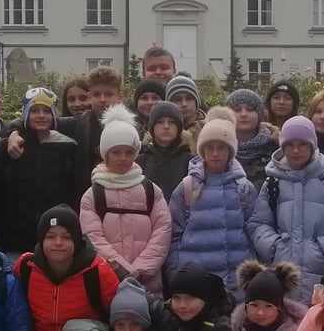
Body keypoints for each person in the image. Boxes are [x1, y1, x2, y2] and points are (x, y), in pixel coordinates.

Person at [249, 116, 324, 283]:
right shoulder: (272, 184)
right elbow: (258, 224)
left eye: (302, 144)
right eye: (290, 144)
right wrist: (275, 247)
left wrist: (323, 248)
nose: (296, 150)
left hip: (323, 277)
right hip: (282, 278)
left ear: (312, 146)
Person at [79, 105, 173, 293]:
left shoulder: (151, 191)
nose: (123, 158)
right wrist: (121, 270)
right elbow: (93, 238)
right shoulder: (92, 195)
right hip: (107, 283)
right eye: (116, 152)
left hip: (148, 285)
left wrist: (140, 269)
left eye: (129, 152)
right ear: (105, 154)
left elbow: (163, 230)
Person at [0, 88, 86, 255]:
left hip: (55, 234)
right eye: (34, 111)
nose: (41, 116)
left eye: (47, 111)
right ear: (26, 114)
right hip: (15, 235)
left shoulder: (68, 146)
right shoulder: (11, 147)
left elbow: (74, 189)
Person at [169, 116, 258, 288]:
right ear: (202, 150)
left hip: (237, 282)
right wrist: (175, 273)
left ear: (230, 151)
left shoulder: (244, 188)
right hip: (196, 283)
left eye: (221, 148)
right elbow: (173, 234)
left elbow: (253, 233)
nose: (215, 153)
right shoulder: (187, 187)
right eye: (210, 147)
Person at [139, 101, 193, 198]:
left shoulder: (191, 161)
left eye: (172, 122)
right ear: (152, 127)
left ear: (179, 127)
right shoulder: (140, 161)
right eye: (160, 122)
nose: (166, 126)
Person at [226, 88, 277, 187]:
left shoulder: (275, 147)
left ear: (259, 114)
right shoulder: (219, 147)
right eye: (237, 110)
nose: (243, 114)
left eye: (250, 109)